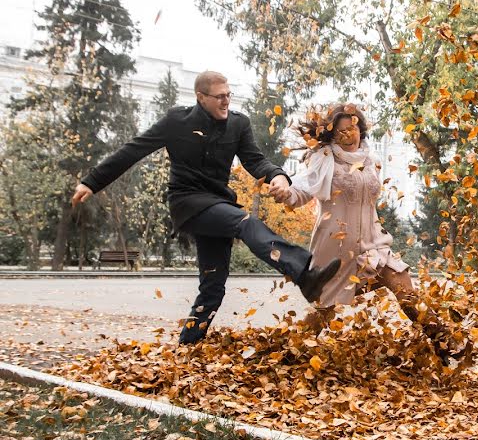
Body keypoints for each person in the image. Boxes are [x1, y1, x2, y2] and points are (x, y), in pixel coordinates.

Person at [70, 71, 340, 344]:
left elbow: (255, 161)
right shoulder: (177, 121)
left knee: (213, 286)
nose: (226, 102)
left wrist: (278, 176)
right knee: (246, 222)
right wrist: (92, 182)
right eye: (219, 97)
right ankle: (304, 273)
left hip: (219, 205)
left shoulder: (238, 124)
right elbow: (133, 150)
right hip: (188, 203)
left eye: (228, 95)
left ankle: (187, 347)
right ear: (201, 97)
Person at [269, 104, 420, 332]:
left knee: (407, 292)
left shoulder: (371, 161)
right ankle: (289, 358)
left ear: (361, 129)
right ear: (332, 133)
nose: (348, 135)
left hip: (373, 246)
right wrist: (285, 193)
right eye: (341, 131)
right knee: (320, 317)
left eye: (353, 128)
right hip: (336, 253)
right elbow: (301, 189)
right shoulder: (323, 158)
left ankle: (446, 343)